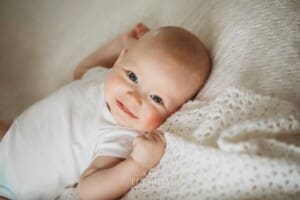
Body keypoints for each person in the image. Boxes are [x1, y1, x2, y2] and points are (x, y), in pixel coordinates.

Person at [0, 23, 211, 200]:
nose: (133, 97)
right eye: (133, 77)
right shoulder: (105, 78)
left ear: (175, 112)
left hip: (13, 188)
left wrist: (138, 163)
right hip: (7, 138)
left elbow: (89, 189)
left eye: (156, 99)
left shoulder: (121, 136)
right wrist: (118, 43)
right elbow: (81, 71)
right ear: (120, 60)